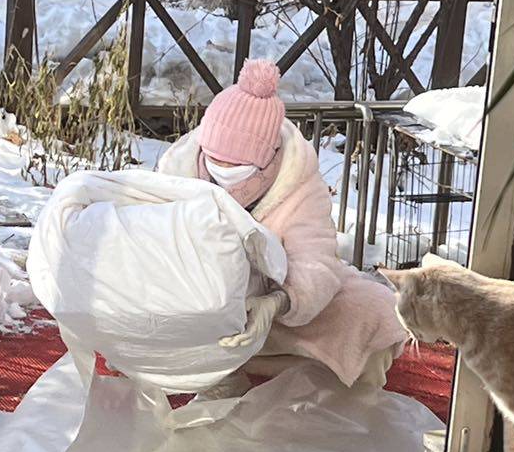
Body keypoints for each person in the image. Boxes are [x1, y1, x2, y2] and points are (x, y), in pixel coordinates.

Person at [157, 58, 405, 395]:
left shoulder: (298, 182)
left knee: (373, 310)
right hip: (198, 310)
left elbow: (316, 261)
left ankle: (346, 399)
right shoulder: (176, 170)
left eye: (237, 165)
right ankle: (217, 375)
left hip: (270, 313)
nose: (222, 168)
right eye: (214, 159)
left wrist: (279, 302)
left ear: (269, 159)